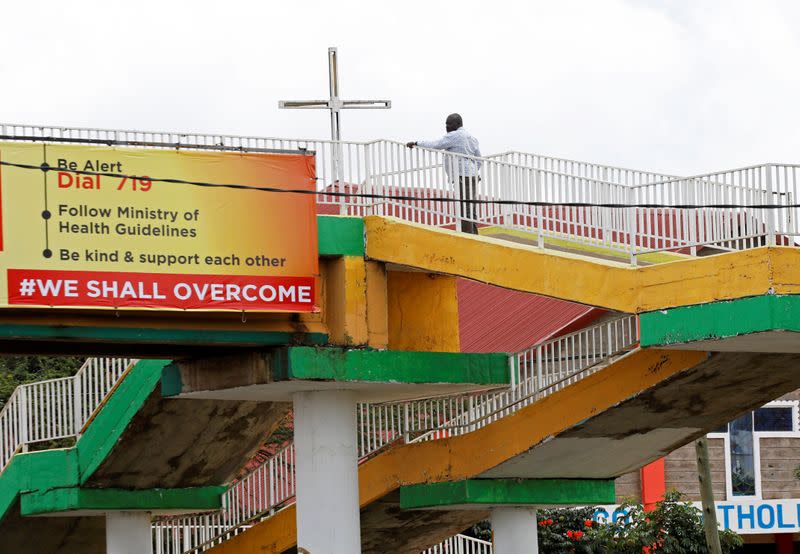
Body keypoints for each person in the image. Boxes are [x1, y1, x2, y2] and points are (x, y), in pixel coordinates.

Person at [406, 113, 481, 234]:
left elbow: (436, 145)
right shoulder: (471, 137)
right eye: (446, 124)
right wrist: (474, 171)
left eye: (449, 124)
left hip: (462, 176)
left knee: (464, 208)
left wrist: (416, 143)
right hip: (472, 176)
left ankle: (468, 237)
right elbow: (479, 158)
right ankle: (474, 235)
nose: (447, 127)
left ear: (457, 124)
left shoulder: (455, 135)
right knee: (470, 207)